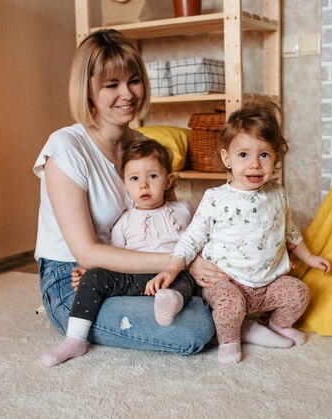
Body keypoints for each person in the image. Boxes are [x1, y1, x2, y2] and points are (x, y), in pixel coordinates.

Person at [34, 29, 292, 363]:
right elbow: (86, 253)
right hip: (78, 279)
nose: (127, 94)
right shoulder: (65, 147)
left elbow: (171, 219)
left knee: (213, 292)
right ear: (88, 91)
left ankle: (233, 317)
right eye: (111, 85)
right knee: (193, 329)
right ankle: (237, 325)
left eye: (134, 80)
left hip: (141, 267)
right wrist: (181, 263)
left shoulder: (141, 145)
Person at [151, 97, 332, 364]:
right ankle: (230, 341)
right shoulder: (216, 198)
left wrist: (308, 257)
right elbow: (192, 238)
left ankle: (278, 325)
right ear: (227, 158)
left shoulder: (278, 194)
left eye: (264, 155)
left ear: (276, 158)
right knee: (229, 307)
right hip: (227, 281)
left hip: (268, 282)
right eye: (243, 155)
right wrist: (171, 268)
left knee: (300, 292)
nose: (255, 164)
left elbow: (289, 230)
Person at [42, 139, 200, 367]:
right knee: (95, 277)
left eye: (153, 177)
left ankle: (171, 301)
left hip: (170, 276)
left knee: (187, 278)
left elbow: (197, 241)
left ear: (169, 181)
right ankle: (75, 338)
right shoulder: (124, 221)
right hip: (133, 276)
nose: (143, 185)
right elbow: (115, 256)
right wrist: (89, 273)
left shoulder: (184, 210)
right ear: (125, 185)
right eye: (134, 179)